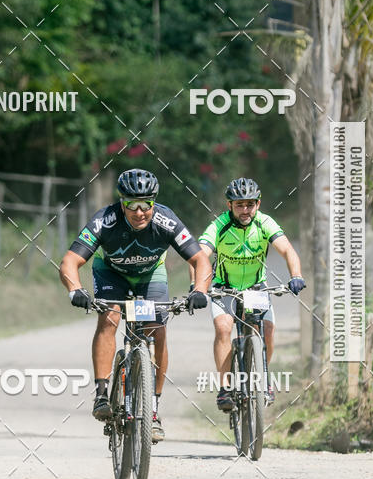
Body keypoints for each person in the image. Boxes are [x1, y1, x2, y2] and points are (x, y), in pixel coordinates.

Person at [59, 168, 210, 441]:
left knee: (158, 329)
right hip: (111, 274)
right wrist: (75, 289)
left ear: (153, 203)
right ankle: (103, 394)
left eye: (146, 205)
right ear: (122, 203)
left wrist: (199, 289)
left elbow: (200, 259)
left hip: (151, 275)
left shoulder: (166, 220)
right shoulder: (105, 220)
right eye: (132, 205)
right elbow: (70, 261)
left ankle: (152, 409)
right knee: (109, 318)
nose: (140, 212)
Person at [196, 177, 305, 410]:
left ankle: (263, 378)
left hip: (255, 288)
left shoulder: (265, 223)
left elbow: (287, 250)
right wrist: (199, 288)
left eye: (250, 204)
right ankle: (225, 388)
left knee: (267, 329)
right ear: (229, 206)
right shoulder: (219, 226)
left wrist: (296, 275)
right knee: (224, 328)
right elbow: (200, 256)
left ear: (258, 203)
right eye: (239, 205)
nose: (245, 210)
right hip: (223, 287)